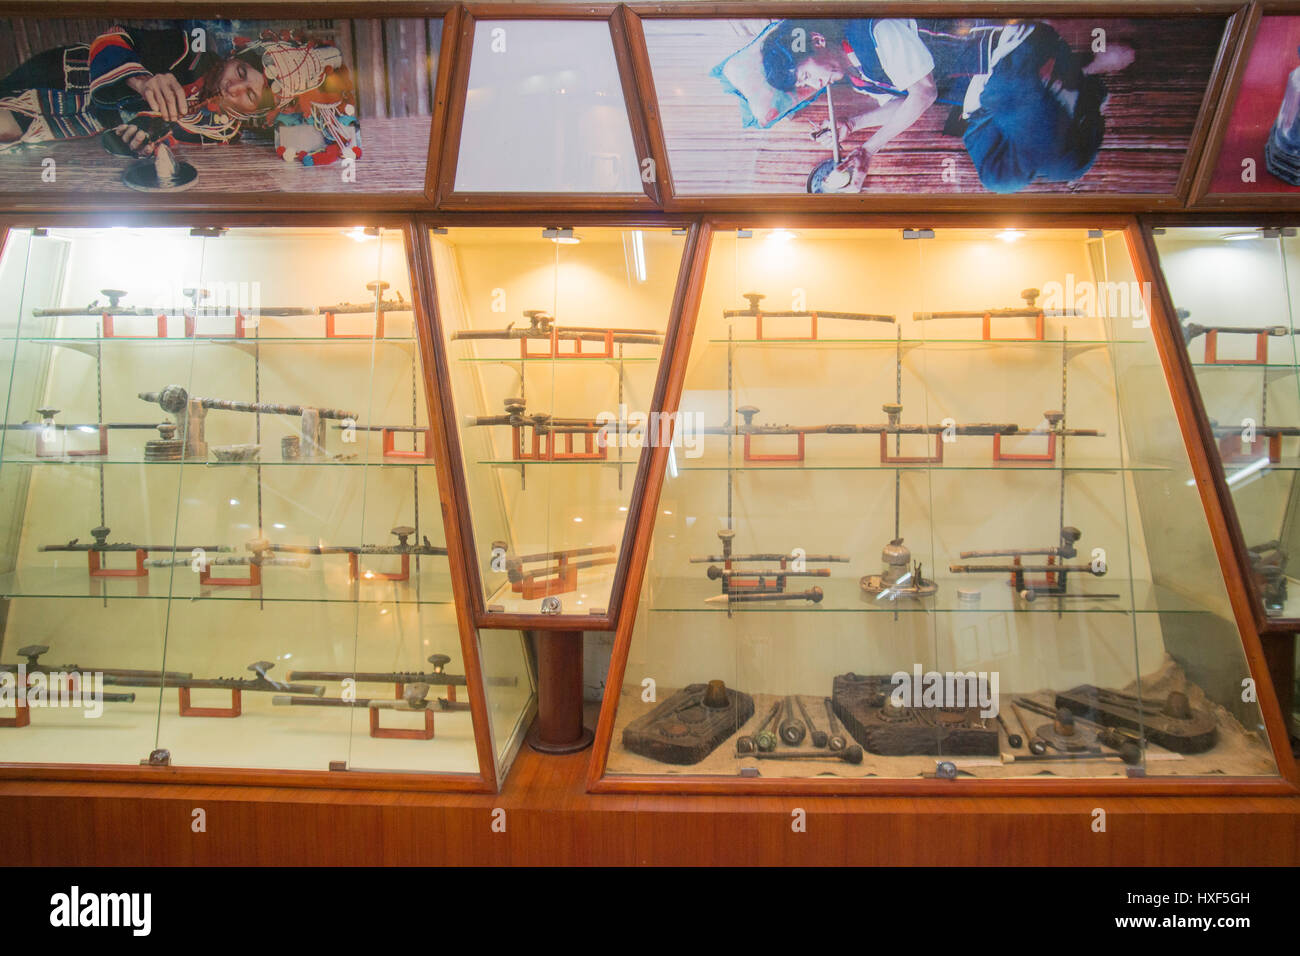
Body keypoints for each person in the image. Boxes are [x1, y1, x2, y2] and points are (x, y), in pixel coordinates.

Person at [758, 18, 1134, 193]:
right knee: (1002, 178)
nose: (810, 86)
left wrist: (869, 150)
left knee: (1051, 151)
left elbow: (923, 94)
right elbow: (902, 102)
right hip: (979, 100)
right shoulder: (857, 78)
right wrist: (853, 125)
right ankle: (1076, 87)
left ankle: (1079, 77)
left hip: (1005, 57)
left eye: (803, 76)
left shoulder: (876, 31)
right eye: (803, 86)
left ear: (817, 40)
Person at [0, 25, 359, 167]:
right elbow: (112, 38)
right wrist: (141, 81)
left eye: (249, 95)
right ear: (234, 58)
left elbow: (314, 145)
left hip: (77, 137)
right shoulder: (190, 51)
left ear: (253, 111)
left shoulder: (224, 131)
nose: (233, 88)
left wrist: (142, 140)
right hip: (62, 82)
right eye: (241, 73)